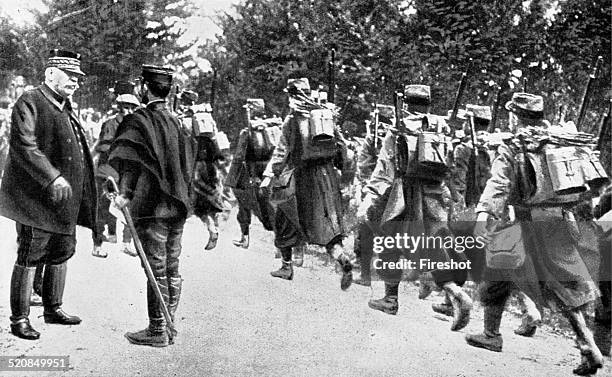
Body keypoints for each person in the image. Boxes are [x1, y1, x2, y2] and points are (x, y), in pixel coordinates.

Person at [465, 92, 604, 376]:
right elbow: (590, 185)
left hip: (525, 221)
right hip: (560, 221)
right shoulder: (561, 139)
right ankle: (587, 344)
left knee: (495, 272)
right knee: (561, 284)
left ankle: (491, 335)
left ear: (516, 116)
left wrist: (482, 217)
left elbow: (498, 184)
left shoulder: (515, 146)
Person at [359, 84, 473, 331]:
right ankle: (454, 291)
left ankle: (391, 298)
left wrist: (369, 199)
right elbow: (451, 166)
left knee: (390, 244)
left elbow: (384, 170)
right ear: (429, 105)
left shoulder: (397, 130)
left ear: (406, 104)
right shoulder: (442, 129)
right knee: (434, 247)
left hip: (404, 196)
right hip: (434, 195)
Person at [0, 49, 96, 340]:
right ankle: (19, 319)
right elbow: (24, 144)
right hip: (35, 199)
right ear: (50, 74)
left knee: (62, 249)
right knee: (31, 253)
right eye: (71, 76)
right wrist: (52, 176)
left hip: (63, 200)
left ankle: (53, 308)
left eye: (79, 78)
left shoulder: (65, 106)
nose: (76, 82)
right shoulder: (31, 100)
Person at [109, 65, 195, 347]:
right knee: (172, 265)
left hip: (154, 205)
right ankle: (168, 325)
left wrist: (124, 194)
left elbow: (130, 165)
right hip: (179, 205)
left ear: (145, 88)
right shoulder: (179, 121)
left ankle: (158, 329)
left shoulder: (139, 121)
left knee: (155, 267)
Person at [261, 78, 353, 289]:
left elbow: (282, 150)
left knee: (284, 214)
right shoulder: (326, 115)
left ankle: (286, 266)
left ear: (291, 94)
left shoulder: (292, 119)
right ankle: (340, 257)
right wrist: (342, 170)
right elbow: (342, 147)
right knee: (326, 224)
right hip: (326, 178)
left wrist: (269, 175)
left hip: (301, 177)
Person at [91, 82, 140, 258]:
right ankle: (97, 245)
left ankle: (126, 242)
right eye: (124, 107)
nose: (128, 111)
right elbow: (104, 147)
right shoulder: (111, 124)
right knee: (102, 208)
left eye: (131, 108)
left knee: (130, 205)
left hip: (126, 172)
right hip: (108, 170)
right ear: (119, 107)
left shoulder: (136, 126)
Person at [226, 98, 275, 250]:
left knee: (244, 206)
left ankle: (244, 238)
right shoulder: (271, 129)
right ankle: (280, 246)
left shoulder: (247, 131)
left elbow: (240, 155)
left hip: (249, 173)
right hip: (267, 172)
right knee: (267, 207)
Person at [353, 104, 393, 287]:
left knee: (365, 227)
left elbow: (363, 167)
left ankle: (365, 274)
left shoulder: (373, 138)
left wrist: (366, 190)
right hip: (392, 190)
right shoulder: (395, 135)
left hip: (377, 189)